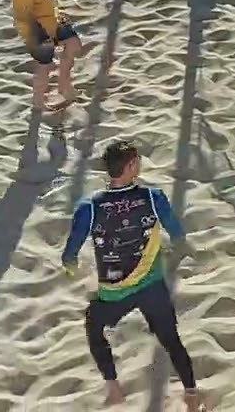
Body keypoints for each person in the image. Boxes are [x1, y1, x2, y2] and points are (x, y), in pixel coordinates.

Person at [61, 141, 207, 410]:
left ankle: (114, 387)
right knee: (171, 340)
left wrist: (72, 269)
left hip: (114, 292)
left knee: (94, 327)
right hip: (151, 287)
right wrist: (177, 248)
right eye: (137, 160)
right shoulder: (153, 197)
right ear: (130, 166)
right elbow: (177, 233)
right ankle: (191, 393)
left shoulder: (89, 207)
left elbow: (70, 254)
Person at [11, 0, 82, 110]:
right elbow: (23, 11)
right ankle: (38, 102)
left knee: (73, 43)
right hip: (35, 28)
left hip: (52, 20)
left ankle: (63, 86)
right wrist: (40, 35)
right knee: (45, 65)